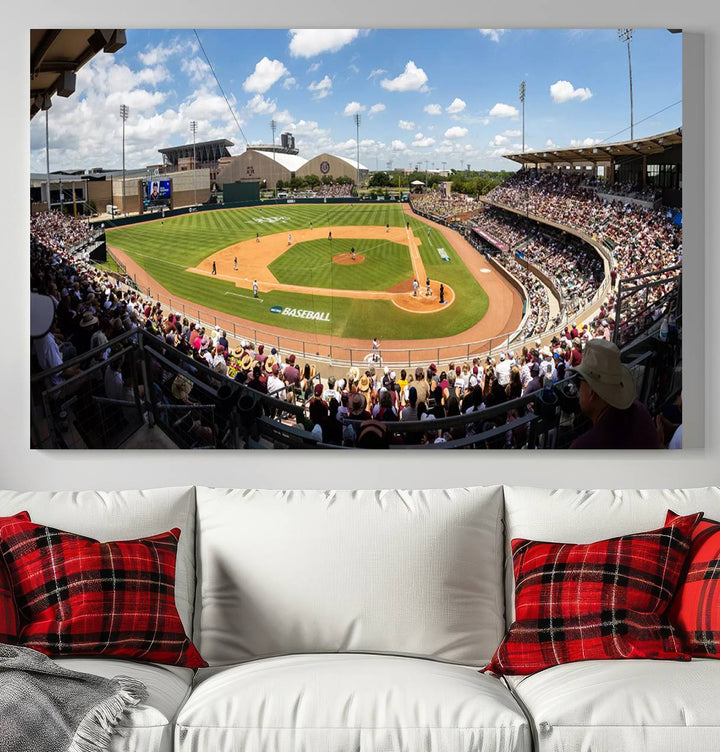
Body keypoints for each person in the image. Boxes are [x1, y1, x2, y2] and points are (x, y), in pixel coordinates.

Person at [568, 339, 661, 449]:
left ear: (591, 391)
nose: (579, 389)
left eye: (579, 382)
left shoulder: (583, 448)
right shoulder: (641, 412)